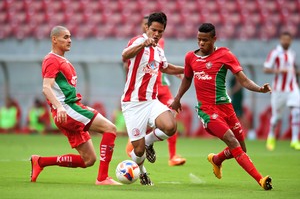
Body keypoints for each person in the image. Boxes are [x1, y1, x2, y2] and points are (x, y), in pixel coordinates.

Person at [169, 23, 273, 190]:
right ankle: (261, 180)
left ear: (214, 39)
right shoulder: (190, 57)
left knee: (241, 148)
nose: (201, 43)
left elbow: (243, 79)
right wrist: (177, 98)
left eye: (205, 40)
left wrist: (260, 89)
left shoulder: (225, 54)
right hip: (207, 111)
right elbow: (187, 78)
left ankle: (217, 159)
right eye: (199, 40)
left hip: (226, 108)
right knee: (232, 141)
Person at [30, 26, 121, 185]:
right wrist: (59, 106)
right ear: (54, 39)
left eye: (70, 37)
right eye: (65, 37)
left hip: (67, 110)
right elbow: (46, 87)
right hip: (68, 109)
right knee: (110, 129)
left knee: (89, 160)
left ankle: (41, 162)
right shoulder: (52, 60)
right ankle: (103, 178)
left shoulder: (61, 60)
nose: (69, 40)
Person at [121, 12, 184, 185]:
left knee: (171, 126)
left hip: (151, 101)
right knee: (138, 151)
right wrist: (143, 44)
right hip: (132, 104)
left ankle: (149, 141)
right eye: (154, 30)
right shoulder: (137, 41)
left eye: (160, 31)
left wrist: (186, 70)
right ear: (147, 28)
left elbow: (166, 67)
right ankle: (142, 171)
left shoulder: (158, 50)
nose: (156, 34)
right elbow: (125, 55)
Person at [264, 31, 300, 151]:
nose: (286, 41)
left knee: (296, 112)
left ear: (291, 41)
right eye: (284, 39)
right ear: (280, 40)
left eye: (288, 39)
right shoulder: (275, 53)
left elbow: (293, 69)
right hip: (279, 90)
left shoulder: (292, 53)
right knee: (276, 118)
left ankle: (295, 140)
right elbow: (266, 68)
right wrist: (278, 71)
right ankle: (271, 136)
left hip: (292, 88)